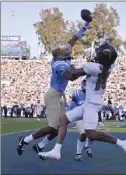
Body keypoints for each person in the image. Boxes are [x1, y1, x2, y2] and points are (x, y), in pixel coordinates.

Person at [39, 42, 126, 161]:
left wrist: (69, 62)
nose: (96, 55)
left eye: (98, 54)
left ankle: (123, 143)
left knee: (91, 134)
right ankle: (56, 151)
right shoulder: (110, 66)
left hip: (92, 104)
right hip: (91, 101)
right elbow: (110, 59)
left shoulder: (92, 67)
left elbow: (73, 75)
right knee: (63, 120)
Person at [16, 21, 92, 160]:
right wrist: (86, 69)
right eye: (68, 50)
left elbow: (73, 40)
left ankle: (41, 146)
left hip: (59, 95)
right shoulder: (60, 64)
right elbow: (71, 77)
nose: (70, 50)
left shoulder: (61, 56)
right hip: (53, 95)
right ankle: (25, 140)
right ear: (64, 53)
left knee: (63, 125)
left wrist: (84, 27)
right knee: (53, 128)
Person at [67, 79, 93, 161]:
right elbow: (71, 106)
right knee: (83, 133)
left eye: (87, 82)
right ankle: (78, 153)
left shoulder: (93, 94)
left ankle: (87, 146)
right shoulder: (77, 93)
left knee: (92, 135)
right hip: (79, 116)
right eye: (84, 82)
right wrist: (67, 116)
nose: (85, 84)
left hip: (89, 116)